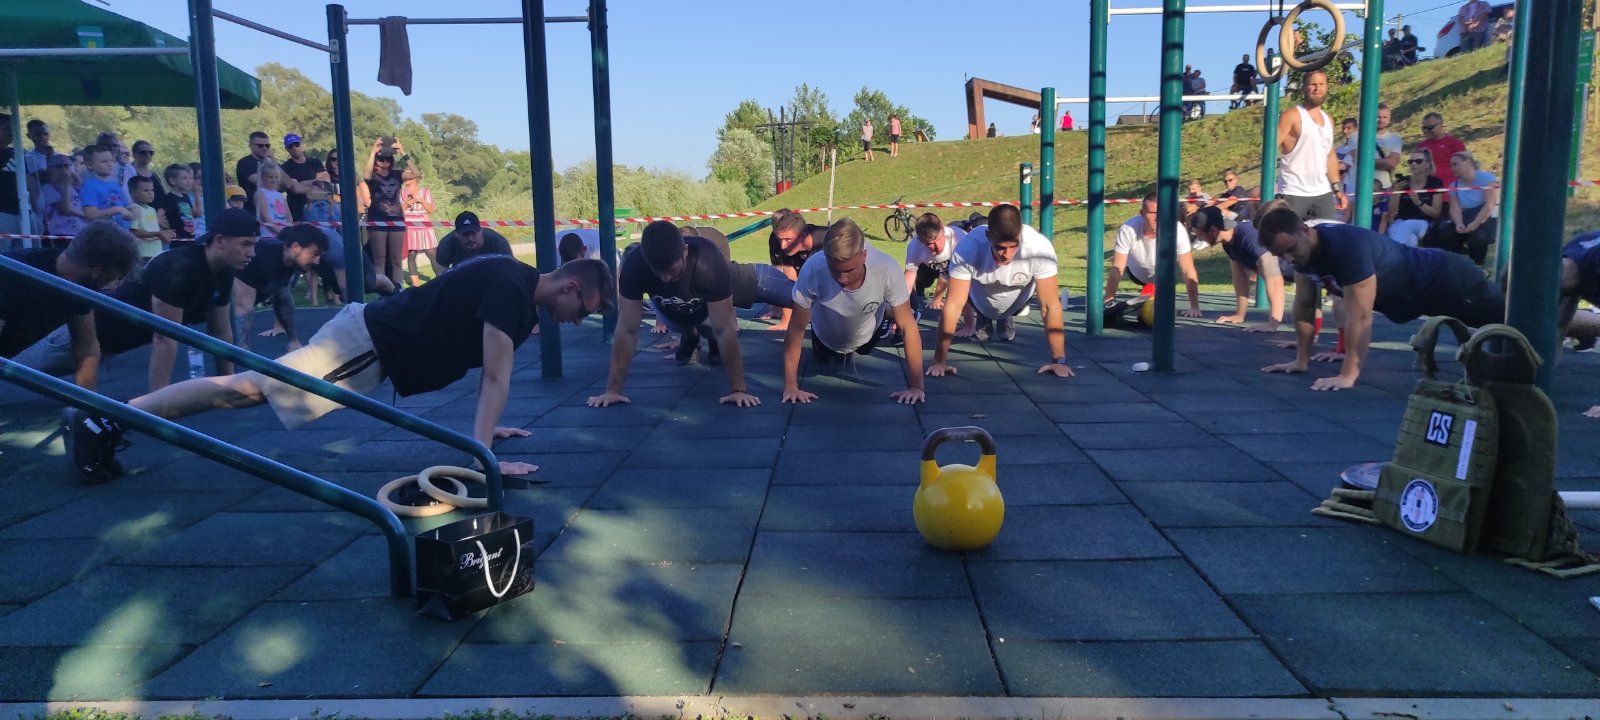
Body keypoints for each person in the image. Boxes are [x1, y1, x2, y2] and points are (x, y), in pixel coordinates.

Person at [68, 255, 616, 483]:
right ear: (571, 286)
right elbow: (495, 378)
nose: (577, 320)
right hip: (363, 347)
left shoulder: (513, 285)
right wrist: (484, 462)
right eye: (584, 310)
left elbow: (485, 375)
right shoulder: (511, 290)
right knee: (247, 391)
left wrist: (485, 433)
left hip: (366, 345)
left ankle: (111, 415)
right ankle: (109, 414)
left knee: (247, 389)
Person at [1257, 204, 1505, 391]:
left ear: (1304, 230)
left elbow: (1361, 316)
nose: (1288, 260)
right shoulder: (1303, 255)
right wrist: (1301, 360)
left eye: (1290, 250)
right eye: (1281, 255)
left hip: (1446, 278)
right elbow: (1304, 305)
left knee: (1513, 319)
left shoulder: (1345, 247)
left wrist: (1348, 376)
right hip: (1416, 294)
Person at [588, 220, 794, 408]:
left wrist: (738, 390)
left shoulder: (708, 260)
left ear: (685, 251)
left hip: (747, 282)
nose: (666, 278)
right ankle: (691, 335)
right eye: (659, 272)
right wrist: (613, 390)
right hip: (689, 308)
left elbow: (725, 329)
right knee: (683, 315)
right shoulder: (635, 266)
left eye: (672, 270)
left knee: (804, 299)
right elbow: (627, 329)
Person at [781, 219, 925, 404]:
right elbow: (796, 329)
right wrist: (791, 386)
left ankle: (888, 313)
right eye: (835, 272)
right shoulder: (813, 269)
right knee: (823, 358)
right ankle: (884, 312)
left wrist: (916, 386)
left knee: (865, 348)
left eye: (849, 270)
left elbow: (908, 327)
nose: (842, 279)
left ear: (864, 255)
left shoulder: (886, 268)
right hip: (826, 334)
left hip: (867, 330)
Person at [926, 204, 1070, 379]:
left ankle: (1004, 315)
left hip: (1019, 297)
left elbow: (1049, 306)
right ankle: (985, 316)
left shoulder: (1039, 248)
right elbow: (954, 306)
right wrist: (939, 361)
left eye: (1012, 247)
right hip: (979, 299)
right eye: (1000, 247)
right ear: (988, 236)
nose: (1006, 254)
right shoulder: (968, 248)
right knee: (966, 298)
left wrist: (1059, 360)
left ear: (1020, 237)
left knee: (1034, 302)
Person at [1, 221, 139, 392]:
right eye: (119, 276)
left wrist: (87, 403)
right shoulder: (14, 272)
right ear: (97, 270)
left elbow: (86, 345)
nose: (117, 283)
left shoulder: (79, 286)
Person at [1103, 193, 1203, 318]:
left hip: (1163, 278)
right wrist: (1108, 301)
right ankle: (1149, 292)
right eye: (1152, 213)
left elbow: (1188, 270)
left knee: (1158, 311)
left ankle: (1152, 293)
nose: (1157, 218)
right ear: (1142, 213)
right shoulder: (1128, 229)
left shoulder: (1177, 230)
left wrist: (1194, 307)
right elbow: (1117, 268)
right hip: (1137, 274)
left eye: (1161, 213)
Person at [232, 223, 328, 351]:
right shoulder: (263, 260)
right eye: (314, 254)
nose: (317, 261)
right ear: (295, 247)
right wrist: (243, 354)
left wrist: (293, 340)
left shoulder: (288, 261)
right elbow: (243, 309)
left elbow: (283, 300)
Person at [1187, 206, 1285, 331]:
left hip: (1302, 269)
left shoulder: (1249, 237)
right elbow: (1240, 278)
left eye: (1200, 235)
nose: (1200, 239)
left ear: (1212, 230)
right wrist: (1239, 315)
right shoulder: (1229, 243)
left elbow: (1275, 280)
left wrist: (1272, 324)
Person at [1275, 70, 1346, 221]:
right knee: (1291, 240)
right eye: (1313, 84)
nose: (1317, 88)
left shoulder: (1328, 120)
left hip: (1322, 193)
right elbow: (1270, 148)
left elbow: (1330, 155)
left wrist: (1337, 190)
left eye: (1321, 84)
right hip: (1293, 191)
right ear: (1304, 88)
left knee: (1326, 238)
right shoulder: (1292, 116)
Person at [765, 208, 829, 332]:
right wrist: (786, 321)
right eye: (780, 239)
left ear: (803, 236)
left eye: (788, 240)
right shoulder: (781, 243)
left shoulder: (827, 241)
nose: (782, 245)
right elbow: (789, 284)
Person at [362, 137, 410, 287]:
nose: (385, 162)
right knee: (380, 258)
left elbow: (416, 173)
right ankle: (382, 288)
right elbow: (366, 175)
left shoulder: (397, 174)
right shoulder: (373, 177)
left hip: (396, 219)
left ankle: (399, 288)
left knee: (396, 259)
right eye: (381, 159)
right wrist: (373, 152)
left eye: (388, 159)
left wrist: (402, 152)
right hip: (377, 218)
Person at [1441, 151, 1499, 266]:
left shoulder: (1487, 178)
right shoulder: (1454, 185)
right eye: (1451, 165)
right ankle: (1456, 261)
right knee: (1445, 231)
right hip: (1466, 218)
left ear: (1467, 162)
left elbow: (1489, 204)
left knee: (1478, 236)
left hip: (1488, 218)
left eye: (1455, 164)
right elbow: (1454, 208)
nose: (1452, 168)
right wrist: (1458, 223)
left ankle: (1478, 265)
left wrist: (1475, 224)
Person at [1379, 150, 1446, 247]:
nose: (1414, 164)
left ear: (1427, 164)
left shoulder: (1435, 183)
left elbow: (1435, 213)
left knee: (1406, 226)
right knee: (1411, 240)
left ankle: (1393, 256)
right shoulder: (1402, 183)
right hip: (1401, 221)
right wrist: (1396, 192)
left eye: (1418, 161)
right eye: (1411, 161)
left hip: (1425, 222)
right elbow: (1392, 212)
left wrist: (1418, 202)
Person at [903, 212, 964, 314]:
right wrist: (902, 310)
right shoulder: (914, 247)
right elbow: (908, 282)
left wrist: (938, 300)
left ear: (943, 229)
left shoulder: (958, 240)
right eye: (930, 244)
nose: (937, 247)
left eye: (939, 239)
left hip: (967, 270)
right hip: (932, 266)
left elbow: (952, 277)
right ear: (920, 240)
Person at [77, 145, 136, 231]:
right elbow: (90, 215)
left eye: (111, 161)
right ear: (90, 165)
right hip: (102, 235)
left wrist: (135, 210)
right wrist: (116, 210)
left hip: (122, 233)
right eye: (104, 161)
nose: (110, 164)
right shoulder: (89, 186)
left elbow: (129, 206)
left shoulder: (116, 185)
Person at [435, 211, 512, 271]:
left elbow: (511, 269)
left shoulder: (497, 241)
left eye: (473, 233)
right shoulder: (446, 245)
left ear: (480, 231)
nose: (470, 238)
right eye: (465, 234)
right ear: (457, 234)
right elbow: (441, 276)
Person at [401, 172, 438, 286]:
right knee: (411, 254)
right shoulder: (401, 193)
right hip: (409, 225)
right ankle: (415, 285)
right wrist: (406, 204)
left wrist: (422, 201)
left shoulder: (425, 192)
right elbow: (398, 211)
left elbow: (432, 211)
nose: (406, 179)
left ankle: (440, 277)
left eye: (409, 176)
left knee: (431, 253)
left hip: (423, 225)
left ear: (415, 179)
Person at [38, 154, 87, 243]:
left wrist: (76, 179)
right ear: (50, 169)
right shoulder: (47, 188)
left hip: (77, 232)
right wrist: (66, 185)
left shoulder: (74, 187)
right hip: (58, 234)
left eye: (66, 166)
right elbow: (65, 209)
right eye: (59, 167)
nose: (63, 170)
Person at [279, 133, 324, 222]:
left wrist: (302, 184)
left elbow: (325, 184)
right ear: (287, 149)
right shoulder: (285, 168)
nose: (295, 148)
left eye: (297, 144)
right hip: (298, 213)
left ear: (301, 145)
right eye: (291, 146)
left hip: (320, 212)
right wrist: (315, 184)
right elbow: (295, 189)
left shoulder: (315, 162)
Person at [126, 176, 170, 264]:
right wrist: (158, 234)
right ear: (134, 193)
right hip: (143, 253)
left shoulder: (152, 210)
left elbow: (153, 229)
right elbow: (135, 232)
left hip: (156, 252)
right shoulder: (134, 209)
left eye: (152, 190)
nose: (151, 193)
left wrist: (165, 233)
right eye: (146, 191)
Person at [1417, 112, 1468, 185]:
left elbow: (1463, 167)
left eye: (1430, 128)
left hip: (1452, 186)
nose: (1426, 131)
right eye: (1424, 128)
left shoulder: (1454, 143)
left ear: (1441, 125)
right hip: (1430, 187)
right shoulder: (1421, 146)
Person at [158, 164, 200, 248]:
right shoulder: (169, 198)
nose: (189, 181)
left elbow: (195, 214)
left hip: (189, 237)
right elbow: (159, 214)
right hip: (177, 240)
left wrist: (197, 195)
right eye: (184, 178)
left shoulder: (185, 197)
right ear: (173, 181)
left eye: (190, 178)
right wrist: (163, 227)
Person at [235, 131, 273, 202]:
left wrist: (273, 162)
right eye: (260, 145)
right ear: (251, 146)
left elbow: (285, 186)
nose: (264, 148)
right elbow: (262, 184)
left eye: (267, 146)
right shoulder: (245, 163)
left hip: (271, 207)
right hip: (252, 209)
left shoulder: (271, 163)